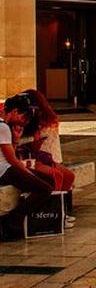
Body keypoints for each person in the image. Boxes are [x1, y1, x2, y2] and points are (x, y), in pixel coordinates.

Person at [17, 90, 76, 226]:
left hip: (42, 157)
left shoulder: (40, 121)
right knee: (56, 175)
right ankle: (52, 213)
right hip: (27, 158)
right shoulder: (20, 120)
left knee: (68, 176)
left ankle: (60, 210)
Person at [0, 94, 53, 240]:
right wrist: (30, 175)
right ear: (15, 112)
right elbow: (12, 160)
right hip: (3, 170)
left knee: (48, 179)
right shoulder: (3, 127)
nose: (25, 121)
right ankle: (13, 219)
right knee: (45, 188)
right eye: (24, 116)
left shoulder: (4, 127)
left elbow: (9, 153)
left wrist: (16, 139)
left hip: (6, 167)